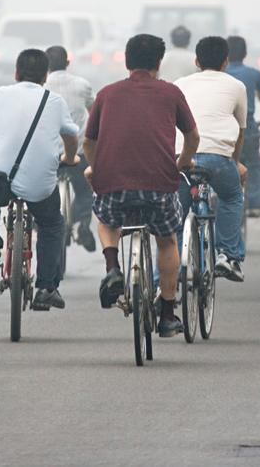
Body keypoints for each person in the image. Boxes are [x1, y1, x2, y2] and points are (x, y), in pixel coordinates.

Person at [83, 34, 200, 338]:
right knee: (167, 240)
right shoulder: (170, 92)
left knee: (107, 221)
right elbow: (193, 137)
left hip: (114, 186)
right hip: (159, 186)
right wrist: (182, 163)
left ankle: (112, 267)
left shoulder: (107, 94)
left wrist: (97, 168)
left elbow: (87, 141)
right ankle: (168, 313)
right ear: (158, 63)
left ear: (126, 60)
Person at [0, 49, 79, 312]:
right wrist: (70, 157)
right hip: (40, 185)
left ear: (16, 74)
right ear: (45, 76)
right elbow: (71, 137)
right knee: (51, 225)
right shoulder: (54, 100)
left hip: (1, 178)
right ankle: (46, 288)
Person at [174, 37, 248, 281]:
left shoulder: (179, 85)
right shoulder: (236, 86)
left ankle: (164, 278)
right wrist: (235, 163)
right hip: (218, 159)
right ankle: (227, 255)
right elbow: (240, 130)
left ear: (196, 61)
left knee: (176, 213)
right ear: (226, 62)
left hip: (181, 158)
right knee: (232, 196)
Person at [44, 45, 97, 252]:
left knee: (43, 192)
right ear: (67, 63)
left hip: (49, 154)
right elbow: (94, 113)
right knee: (85, 191)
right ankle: (80, 223)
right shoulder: (82, 85)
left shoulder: (41, 87)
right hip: (77, 152)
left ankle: (47, 225)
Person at [226, 35, 260, 218]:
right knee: (253, 163)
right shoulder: (254, 74)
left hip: (226, 130)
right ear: (245, 53)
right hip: (249, 128)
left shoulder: (223, 74)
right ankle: (255, 204)